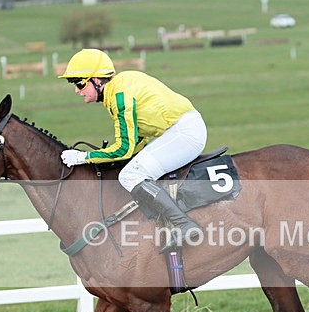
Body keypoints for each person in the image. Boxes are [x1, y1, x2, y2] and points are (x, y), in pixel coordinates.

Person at [58, 49, 206, 252]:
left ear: (96, 80)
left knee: (130, 175)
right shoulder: (118, 89)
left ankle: (184, 224)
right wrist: (108, 157)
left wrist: (85, 157)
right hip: (180, 129)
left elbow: (124, 149)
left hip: (185, 133)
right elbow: (137, 138)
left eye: (79, 83)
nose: (76, 90)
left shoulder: (119, 94)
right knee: (130, 169)